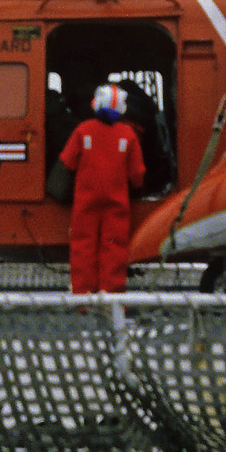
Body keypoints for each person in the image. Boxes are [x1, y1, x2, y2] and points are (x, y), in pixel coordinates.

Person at [59, 83, 147, 294]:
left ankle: (82, 294)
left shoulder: (83, 130)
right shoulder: (128, 134)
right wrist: (138, 187)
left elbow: (67, 162)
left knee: (83, 245)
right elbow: (137, 175)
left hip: (85, 201)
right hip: (116, 203)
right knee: (114, 247)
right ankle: (112, 295)